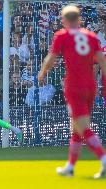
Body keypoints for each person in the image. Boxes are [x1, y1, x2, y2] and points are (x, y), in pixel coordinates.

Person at [38, 5, 106, 179]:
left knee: (83, 128)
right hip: (90, 86)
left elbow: (51, 58)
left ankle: (104, 159)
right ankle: (70, 166)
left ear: (67, 20)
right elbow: (101, 62)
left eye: (62, 19)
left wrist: (43, 72)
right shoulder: (91, 36)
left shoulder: (62, 35)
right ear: (79, 19)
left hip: (74, 87)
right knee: (76, 128)